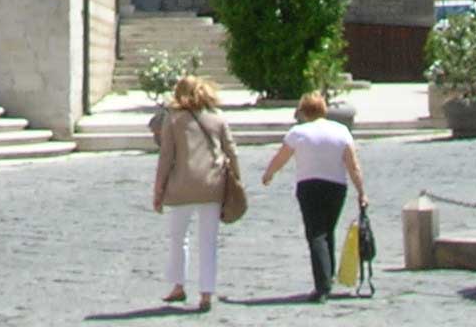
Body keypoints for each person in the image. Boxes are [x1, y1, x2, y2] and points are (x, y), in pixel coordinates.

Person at [261, 91, 368, 302]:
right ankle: (327, 277)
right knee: (328, 231)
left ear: (303, 111)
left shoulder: (298, 132)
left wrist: (269, 173)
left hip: (309, 186)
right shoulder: (341, 131)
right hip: (336, 186)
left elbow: (281, 157)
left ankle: (322, 286)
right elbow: (353, 165)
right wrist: (361, 191)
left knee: (316, 233)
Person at [152, 75, 239, 312]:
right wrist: (237, 182)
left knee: (179, 237)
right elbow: (232, 151)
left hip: (181, 185)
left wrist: (158, 190)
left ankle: (178, 286)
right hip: (212, 184)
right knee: (208, 240)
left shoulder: (174, 119)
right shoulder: (218, 117)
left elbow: (166, 156)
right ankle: (206, 293)